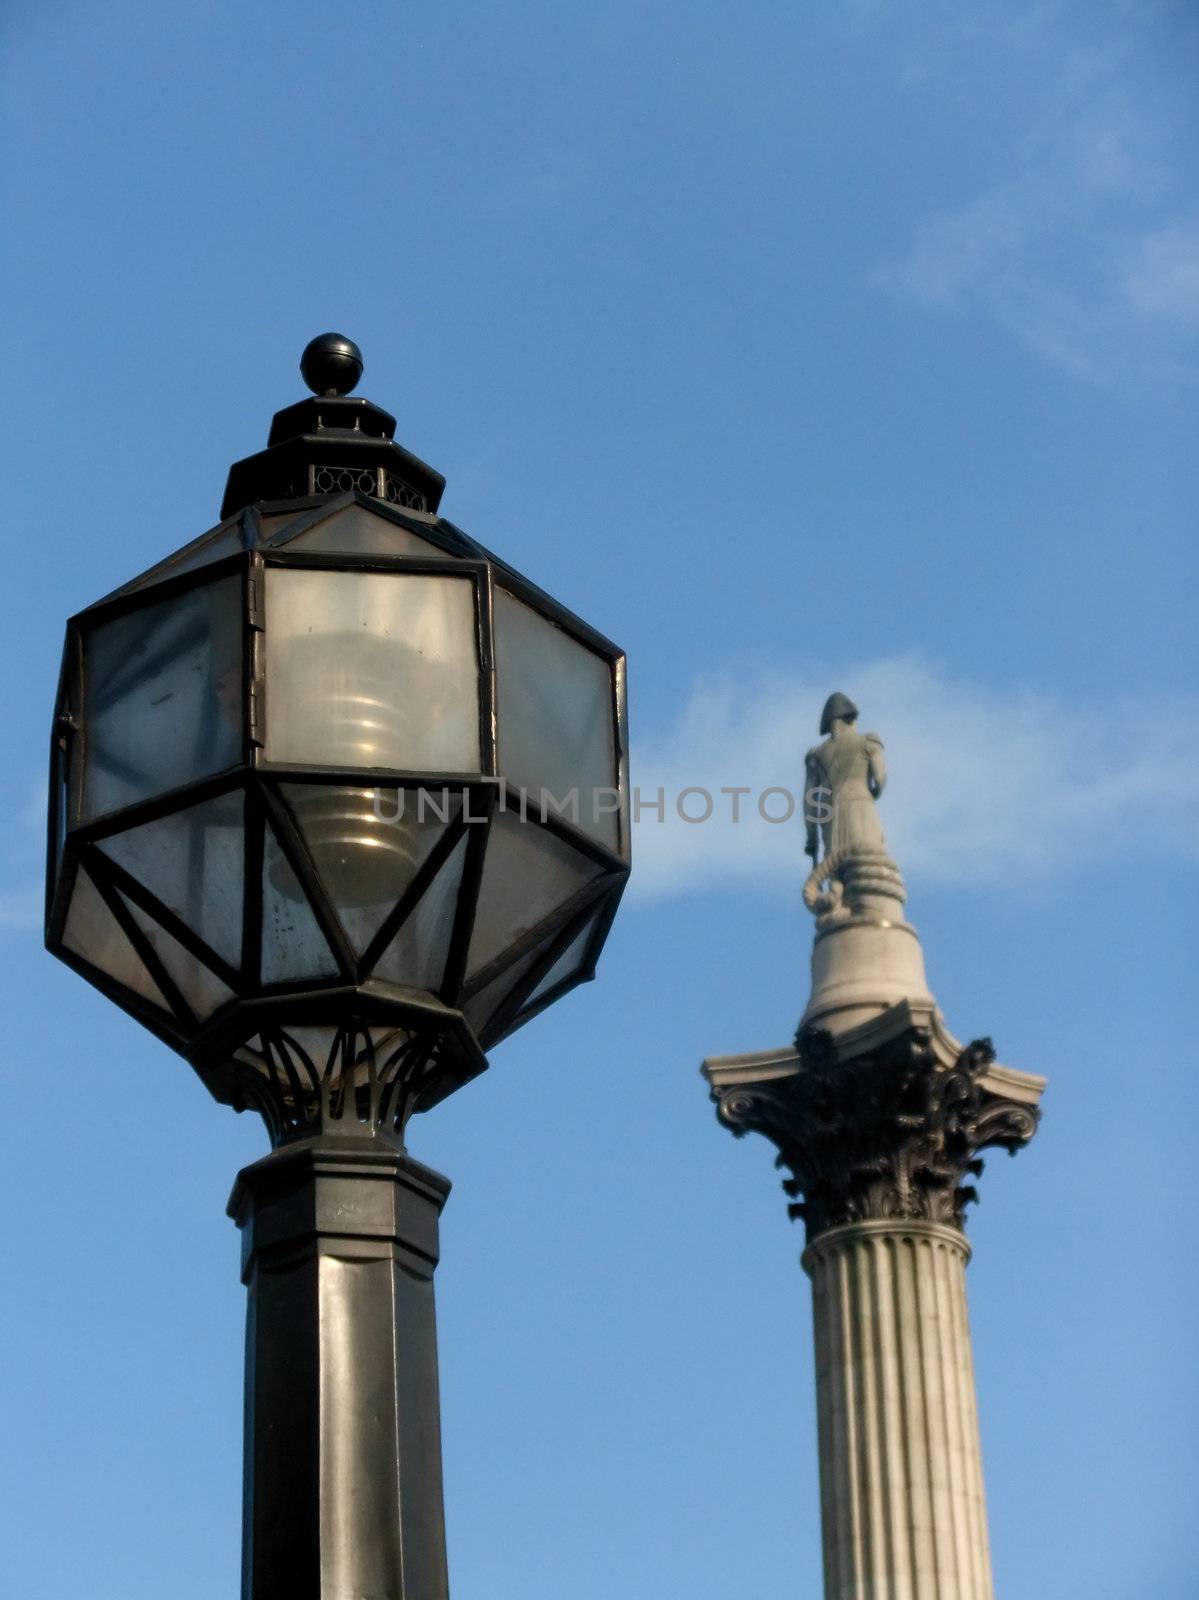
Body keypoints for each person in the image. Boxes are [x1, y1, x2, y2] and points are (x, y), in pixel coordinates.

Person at [803, 692, 887, 866]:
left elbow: (809, 803)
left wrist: (812, 840)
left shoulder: (816, 756)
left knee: (836, 877)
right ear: (850, 717)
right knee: (869, 868)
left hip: (829, 819)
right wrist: (874, 792)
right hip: (861, 809)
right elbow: (880, 778)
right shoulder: (868, 741)